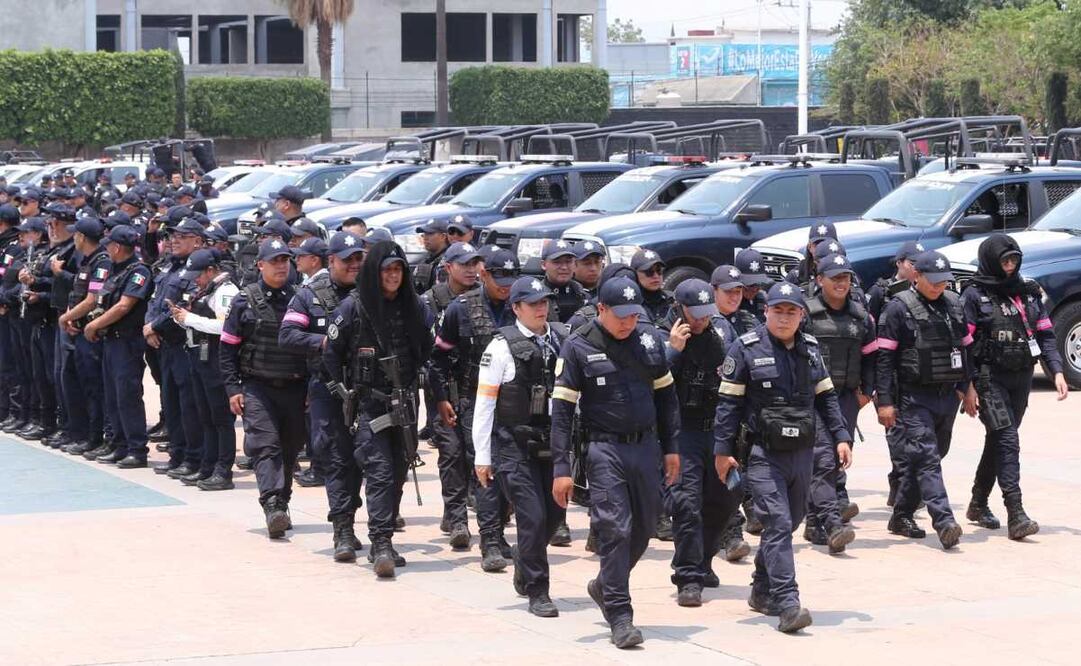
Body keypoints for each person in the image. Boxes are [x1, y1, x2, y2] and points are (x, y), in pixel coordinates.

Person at [714, 281, 852, 633]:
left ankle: (761, 589)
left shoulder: (809, 348)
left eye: (792, 312)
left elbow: (827, 397)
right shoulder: (743, 349)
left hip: (802, 453)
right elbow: (727, 407)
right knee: (776, 524)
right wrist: (722, 452)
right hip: (763, 453)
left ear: (801, 315)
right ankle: (788, 603)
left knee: (789, 523)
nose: (784, 318)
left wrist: (841, 436)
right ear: (766, 311)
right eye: (778, 311)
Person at [550, 276, 679, 649]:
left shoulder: (650, 340)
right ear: (601, 310)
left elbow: (667, 399)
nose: (628, 323)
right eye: (620, 315)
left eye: (634, 315)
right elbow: (561, 413)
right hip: (604, 451)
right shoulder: (578, 346)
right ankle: (620, 616)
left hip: (646, 448)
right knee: (615, 529)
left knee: (644, 529)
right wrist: (561, 468)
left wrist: (671, 448)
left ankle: (605, 585)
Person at [323, 241, 432, 577]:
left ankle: (384, 537)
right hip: (369, 405)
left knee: (399, 470)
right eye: (387, 269)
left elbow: (427, 352)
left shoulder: (414, 307)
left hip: (404, 404)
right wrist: (344, 394)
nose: (393, 276)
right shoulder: (353, 308)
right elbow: (330, 355)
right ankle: (380, 542)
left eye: (398, 269)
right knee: (380, 472)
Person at [472, 276, 569, 618]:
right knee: (533, 517)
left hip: (552, 443)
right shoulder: (499, 347)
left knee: (554, 516)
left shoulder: (562, 339)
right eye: (533, 304)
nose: (541, 308)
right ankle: (538, 591)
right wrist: (482, 457)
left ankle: (524, 561)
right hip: (513, 446)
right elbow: (484, 406)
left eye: (545, 302)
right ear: (516, 308)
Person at [961, 234, 1067, 540]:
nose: (1009, 266)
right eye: (1004, 261)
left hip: (1021, 377)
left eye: (1014, 261)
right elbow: (964, 344)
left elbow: (1045, 335)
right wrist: (966, 386)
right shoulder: (974, 295)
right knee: (1007, 439)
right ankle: (1016, 512)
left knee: (999, 440)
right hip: (988, 378)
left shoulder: (1029, 293)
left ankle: (978, 503)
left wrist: (1056, 371)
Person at [429, 248, 521, 568]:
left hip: (517, 404)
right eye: (499, 279)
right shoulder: (461, 309)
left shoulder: (526, 305)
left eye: (511, 279)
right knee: (487, 468)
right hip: (475, 401)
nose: (505, 286)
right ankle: (490, 540)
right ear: (484, 275)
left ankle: (501, 529)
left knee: (513, 472)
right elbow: (437, 359)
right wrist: (441, 399)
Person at [280, 231, 366, 559]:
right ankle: (342, 528)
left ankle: (364, 520)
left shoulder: (369, 293)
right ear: (331, 261)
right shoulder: (309, 295)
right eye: (347, 260)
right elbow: (287, 334)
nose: (354, 265)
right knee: (336, 458)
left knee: (370, 460)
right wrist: (323, 343)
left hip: (368, 390)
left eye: (359, 259)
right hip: (329, 390)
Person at [875, 250, 967, 549]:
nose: (939, 286)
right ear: (917, 276)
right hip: (913, 398)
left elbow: (966, 349)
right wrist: (885, 402)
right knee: (927, 458)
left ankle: (901, 515)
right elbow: (885, 360)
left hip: (947, 395)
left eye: (944, 281)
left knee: (933, 455)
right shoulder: (897, 308)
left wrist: (969, 387)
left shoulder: (954, 305)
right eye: (934, 281)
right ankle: (944, 521)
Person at [221, 239, 310, 538]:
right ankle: (272, 504)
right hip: (258, 387)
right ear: (260, 264)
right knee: (266, 446)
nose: (281, 266)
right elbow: (228, 348)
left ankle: (281, 503)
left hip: (296, 387)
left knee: (288, 450)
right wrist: (233, 387)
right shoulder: (244, 300)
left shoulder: (301, 299)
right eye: (275, 261)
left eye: (285, 260)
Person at [661, 278, 741, 606]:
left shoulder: (721, 334)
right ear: (680, 308)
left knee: (725, 498)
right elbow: (652, 385)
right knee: (687, 505)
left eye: (707, 313)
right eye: (696, 314)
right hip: (683, 433)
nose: (702, 320)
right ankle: (688, 575)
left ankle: (704, 560)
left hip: (717, 430)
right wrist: (672, 352)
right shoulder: (660, 335)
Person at [802, 254, 876, 552]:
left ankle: (812, 521)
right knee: (823, 458)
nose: (841, 283)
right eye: (835, 278)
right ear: (819, 280)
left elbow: (872, 357)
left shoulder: (861, 316)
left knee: (834, 461)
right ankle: (832, 523)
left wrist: (867, 392)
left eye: (845, 277)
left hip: (846, 397)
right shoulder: (805, 314)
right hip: (812, 398)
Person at [420, 241, 481, 544]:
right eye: (464, 264)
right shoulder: (428, 302)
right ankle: (457, 518)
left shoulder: (482, 301)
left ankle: (474, 510)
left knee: (475, 453)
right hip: (441, 389)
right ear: (448, 267)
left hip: (474, 389)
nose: (472, 270)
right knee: (451, 452)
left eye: (475, 264)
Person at [82, 225, 153, 467]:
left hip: (128, 342)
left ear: (119, 247)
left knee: (127, 395)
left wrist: (93, 326)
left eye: (109, 244)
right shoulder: (114, 269)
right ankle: (119, 444)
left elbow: (124, 306)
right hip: (111, 340)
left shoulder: (138, 271)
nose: (106, 247)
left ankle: (136, 448)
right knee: (112, 395)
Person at [169, 249, 239, 489]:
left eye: (198, 275)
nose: (195, 280)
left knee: (221, 418)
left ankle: (223, 470)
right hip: (199, 356)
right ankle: (207, 466)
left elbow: (225, 326)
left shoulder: (226, 291)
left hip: (217, 359)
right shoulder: (207, 290)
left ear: (211, 270)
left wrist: (189, 319)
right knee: (206, 417)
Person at [145, 218, 204, 478]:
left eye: (182, 236)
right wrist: (149, 327)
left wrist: (155, 327)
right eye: (173, 235)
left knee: (188, 405)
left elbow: (183, 307)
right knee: (170, 403)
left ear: (198, 241)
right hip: (164, 346)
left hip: (184, 346)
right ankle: (178, 454)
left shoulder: (196, 271)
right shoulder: (169, 267)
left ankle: (194, 458)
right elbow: (154, 301)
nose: (174, 240)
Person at [56, 217, 110, 456]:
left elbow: (91, 300)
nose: (73, 237)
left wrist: (64, 318)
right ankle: (84, 433)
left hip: (90, 337)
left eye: (75, 234)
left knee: (93, 388)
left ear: (82, 237)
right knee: (80, 384)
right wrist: (70, 317)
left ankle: (95, 436)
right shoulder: (87, 261)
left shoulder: (101, 262)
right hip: (77, 332)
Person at [290, 236, 332, 489]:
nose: (296, 260)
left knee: (322, 422)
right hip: (312, 362)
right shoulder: (308, 285)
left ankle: (320, 468)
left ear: (314, 260)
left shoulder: (321, 287)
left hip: (324, 366)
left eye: (301, 256)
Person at [867, 241, 924, 323]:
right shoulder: (879, 291)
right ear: (899, 263)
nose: (917, 268)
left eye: (921, 264)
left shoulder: (924, 289)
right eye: (913, 264)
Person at [540, 241, 589, 324]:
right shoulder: (536, 297)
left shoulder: (583, 295)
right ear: (543, 265)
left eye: (568, 262)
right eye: (557, 262)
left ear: (575, 264)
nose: (564, 267)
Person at [630, 249, 673, 325]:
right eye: (649, 272)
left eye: (659, 270)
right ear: (635, 274)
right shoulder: (631, 304)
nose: (656, 276)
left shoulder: (672, 300)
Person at [413, 218, 450, 293]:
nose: (425, 238)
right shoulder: (426, 260)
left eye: (430, 234)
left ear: (443, 236)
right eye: (424, 234)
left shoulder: (450, 261)